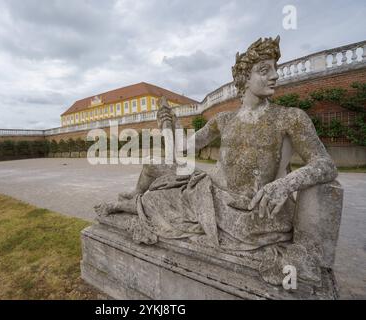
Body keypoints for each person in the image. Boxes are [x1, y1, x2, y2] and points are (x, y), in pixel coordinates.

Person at [95, 36, 338, 284]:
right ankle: (132, 202)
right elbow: (181, 148)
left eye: (274, 68)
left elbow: (325, 164)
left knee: (157, 201)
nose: (274, 75)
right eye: (264, 70)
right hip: (207, 192)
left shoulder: (290, 118)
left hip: (247, 211)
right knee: (156, 188)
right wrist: (167, 123)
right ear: (244, 79)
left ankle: (130, 205)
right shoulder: (223, 119)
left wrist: (286, 183)